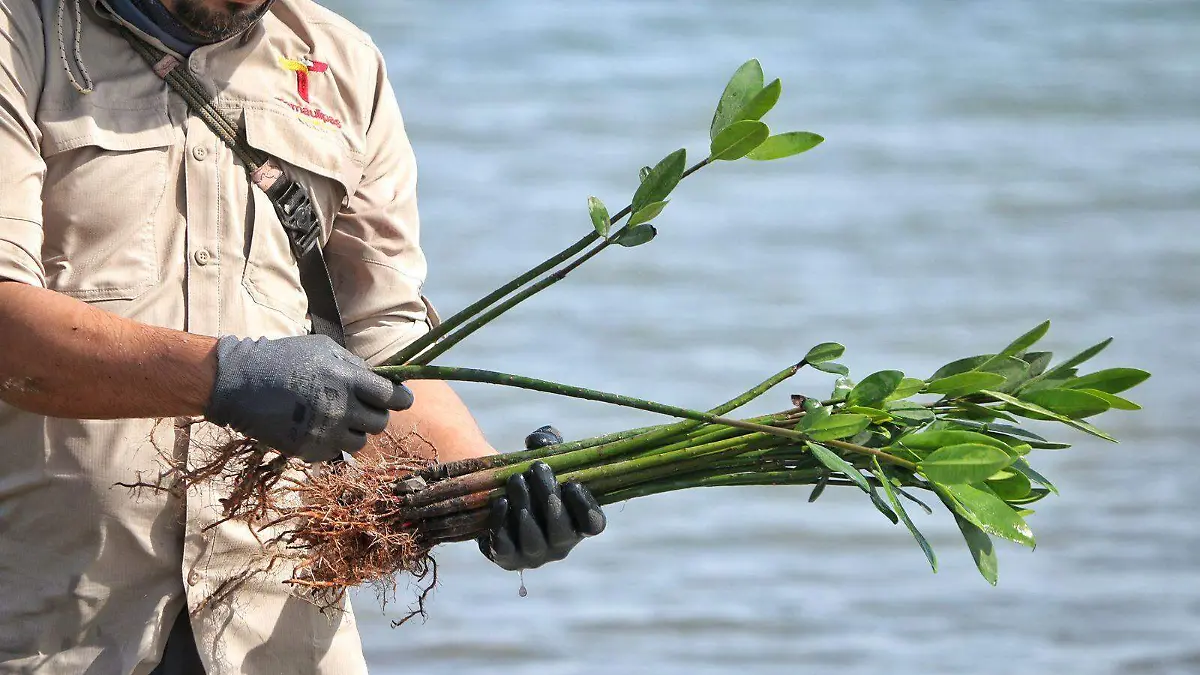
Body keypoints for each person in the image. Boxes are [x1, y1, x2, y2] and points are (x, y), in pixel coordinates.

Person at [0, 0, 605, 672]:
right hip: (52, 625)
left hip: (279, 628)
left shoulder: (344, 65)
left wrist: (490, 494)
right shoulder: (23, 31)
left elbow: (386, 346)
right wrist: (226, 377)